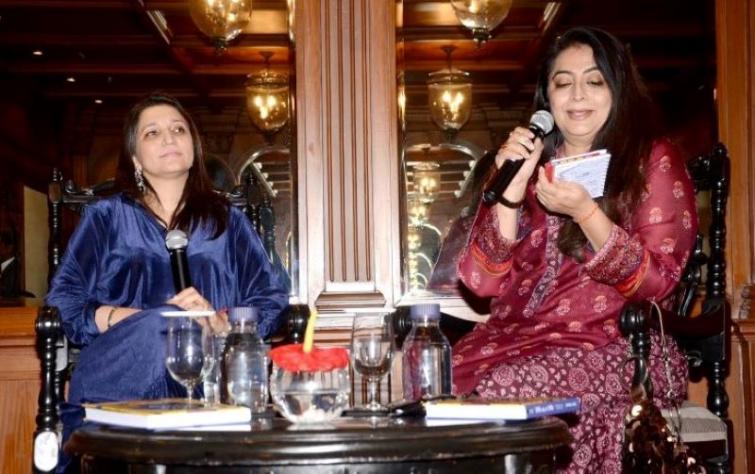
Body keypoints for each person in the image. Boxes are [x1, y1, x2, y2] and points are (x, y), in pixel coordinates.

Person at [452, 27, 697, 473]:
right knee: (437, 388)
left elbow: (657, 284)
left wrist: (586, 213)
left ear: (617, 90)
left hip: (624, 347)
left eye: (594, 81)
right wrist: (510, 193)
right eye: (563, 83)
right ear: (547, 99)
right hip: (517, 342)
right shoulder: (529, 167)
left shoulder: (651, 159)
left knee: (503, 390)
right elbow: (480, 283)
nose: (578, 95)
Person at [46, 93, 289, 471]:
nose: (169, 138)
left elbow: (271, 298)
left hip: (208, 371)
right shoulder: (106, 217)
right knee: (167, 324)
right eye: (152, 133)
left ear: (194, 148)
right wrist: (138, 318)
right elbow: (62, 302)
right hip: (122, 368)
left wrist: (222, 322)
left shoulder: (227, 220)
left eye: (178, 130)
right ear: (135, 157)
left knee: (183, 333)